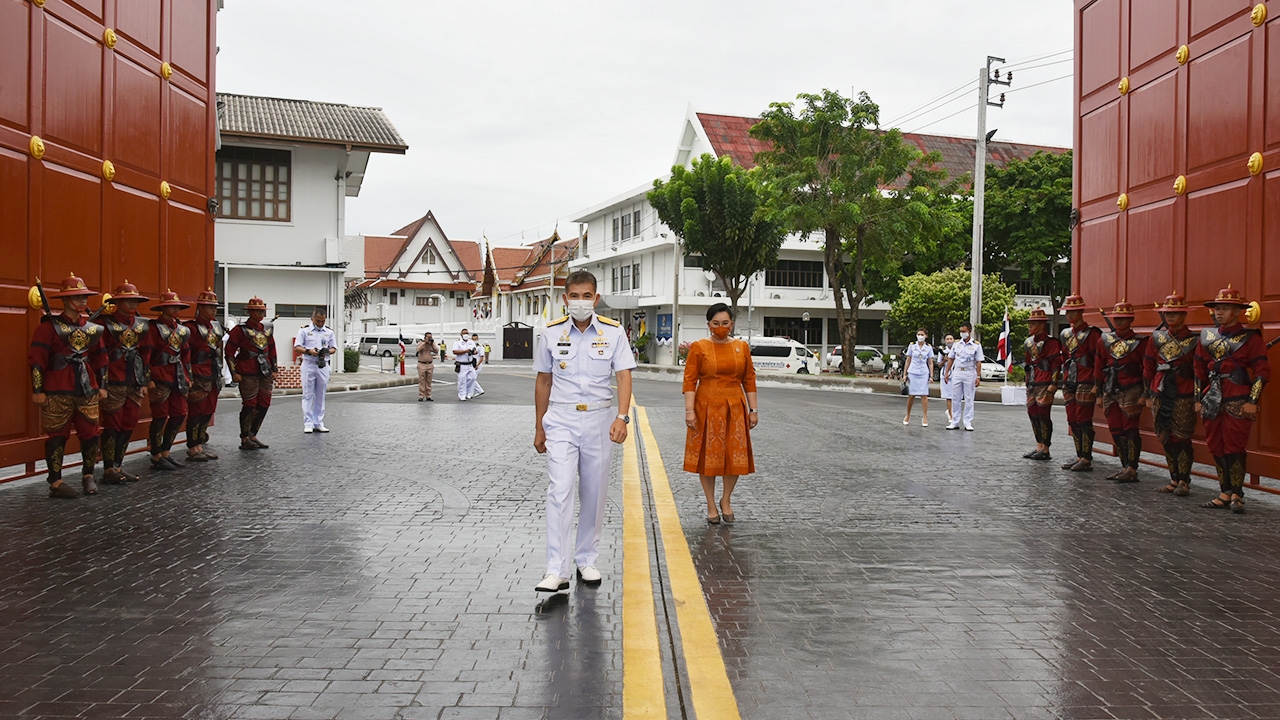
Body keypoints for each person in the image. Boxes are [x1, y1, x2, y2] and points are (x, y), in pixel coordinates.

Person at [532, 270, 634, 593]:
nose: (580, 302)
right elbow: (543, 380)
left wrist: (622, 417)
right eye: (574, 296)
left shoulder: (613, 333)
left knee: (594, 491)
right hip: (560, 419)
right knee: (559, 490)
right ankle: (555, 569)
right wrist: (539, 425)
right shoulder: (549, 334)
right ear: (564, 299)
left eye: (586, 296)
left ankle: (586, 559)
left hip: (599, 420)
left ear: (596, 297)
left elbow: (623, 376)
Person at [29, 273, 108, 498]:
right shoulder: (48, 328)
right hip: (58, 389)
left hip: (86, 389)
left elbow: (102, 358)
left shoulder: (92, 329)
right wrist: (38, 390)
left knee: (91, 434)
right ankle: (55, 481)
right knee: (57, 435)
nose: (83, 301)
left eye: (84, 297)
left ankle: (88, 474)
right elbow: (37, 361)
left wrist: (102, 385)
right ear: (65, 300)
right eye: (77, 297)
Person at [1195, 285, 1270, 513]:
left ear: (1236, 311)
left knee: (1234, 446)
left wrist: (1253, 401)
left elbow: (1262, 372)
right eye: (1218, 308)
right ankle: (1224, 491)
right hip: (1211, 400)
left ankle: (1237, 493)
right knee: (1215, 445)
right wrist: (1198, 398)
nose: (1220, 313)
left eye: (1225, 308)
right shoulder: (1206, 337)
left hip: (1237, 398)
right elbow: (1198, 370)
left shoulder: (1250, 338)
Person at [683, 303, 759, 524]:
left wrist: (753, 410)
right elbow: (689, 380)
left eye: (725, 323)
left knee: (733, 456)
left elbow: (749, 379)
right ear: (708, 325)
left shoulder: (741, 347)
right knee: (708, 456)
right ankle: (710, 504)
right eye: (716, 323)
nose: (721, 327)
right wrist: (690, 411)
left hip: (735, 406)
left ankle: (726, 499)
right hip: (705, 405)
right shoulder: (699, 347)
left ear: (732, 324)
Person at [1143, 293, 1198, 496]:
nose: (1171, 317)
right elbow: (1148, 366)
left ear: (1184, 314)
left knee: (1182, 437)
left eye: (1175, 313)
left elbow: (1200, 371)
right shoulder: (1156, 338)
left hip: (1183, 393)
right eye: (1167, 313)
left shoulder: (1194, 340)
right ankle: (1174, 478)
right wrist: (1148, 393)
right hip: (1160, 390)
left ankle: (1184, 480)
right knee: (1166, 437)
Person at [97, 281, 150, 483]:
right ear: (118, 302)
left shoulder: (142, 324)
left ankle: (118, 464)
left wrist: (144, 380)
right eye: (127, 300)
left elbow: (146, 354)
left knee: (129, 423)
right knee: (113, 424)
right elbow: (99, 354)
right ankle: (108, 467)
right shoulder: (105, 323)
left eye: (134, 300)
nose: (131, 304)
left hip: (134, 381)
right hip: (113, 380)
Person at [1096, 301, 1149, 483]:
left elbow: (1147, 369)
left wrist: (1145, 394)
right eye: (1117, 318)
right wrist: (1099, 393)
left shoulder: (1141, 343)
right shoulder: (1104, 341)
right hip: (1110, 388)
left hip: (1131, 388)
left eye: (1123, 319)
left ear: (1131, 319)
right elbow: (1099, 366)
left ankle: (1132, 468)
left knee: (1130, 429)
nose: (1119, 322)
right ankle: (1124, 465)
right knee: (1115, 429)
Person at [145, 290, 192, 471]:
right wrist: (148, 378)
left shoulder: (181, 330)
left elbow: (186, 355)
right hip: (160, 376)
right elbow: (146, 354)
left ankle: (166, 451)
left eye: (177, 306)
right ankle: (156, 455)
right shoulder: (154, 328)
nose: (175, 309)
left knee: (179, 414)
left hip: (178, 376)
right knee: (159, 417)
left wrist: (188, 377)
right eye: (171, 306)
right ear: (163, 309)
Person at [225, 297, 277, 450]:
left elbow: (272, 350)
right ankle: (244, 437)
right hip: (247, 371)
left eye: (262, 311)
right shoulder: (239, 330)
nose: (261, 314)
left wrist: (274, 369)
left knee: (264, 403)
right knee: (249, 404)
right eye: (258, 311)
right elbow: (228, 352)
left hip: (265, 371)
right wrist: (233, 372)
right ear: (250, 312)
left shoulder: (266, 329)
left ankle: (253, 433)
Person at [1059, 294, 1103, 471]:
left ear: (1081, 311)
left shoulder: (1092, 334)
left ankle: (1086, 457)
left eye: (1074, 311)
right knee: (1073, 420)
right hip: (1070, 379)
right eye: (1068, 311)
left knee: (1084, 420)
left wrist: (1097, 384)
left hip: (1086, 379)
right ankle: (1079, 455)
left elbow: (1099, 361)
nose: (1070, 315)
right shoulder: (1066, 334)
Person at [184, 289, 224, 462]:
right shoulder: (190, 328)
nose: (213, 310)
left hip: (213, 372)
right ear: (200, 307)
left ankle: (200, 444)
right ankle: (192, 447)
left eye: (215, 307)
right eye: (209, 307)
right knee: (196, 411)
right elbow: (185, 355)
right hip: (198, 372)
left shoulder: (216, 326)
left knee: (208, 411)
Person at [1022, 309, 1064, 461]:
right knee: (1033, 414)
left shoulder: (1051, 343)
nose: (1030, 326)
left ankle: (1046, 448)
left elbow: (1056, 364)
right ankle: (1039, 445)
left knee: (1043, 415)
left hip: (1045, 382)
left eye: (1033, 323)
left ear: (1042, 325)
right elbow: (1027, 363)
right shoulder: (1029, 342)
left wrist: (1054, 383)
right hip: (1033, 383)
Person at [294, 309, 337, 433]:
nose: (320, 323)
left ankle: (318, 422)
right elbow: (297, 347)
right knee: (307, 395)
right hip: (309, 364)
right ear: (312, 319)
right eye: (318, 321)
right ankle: (308, 423)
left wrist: (327, 351)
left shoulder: (328, 332)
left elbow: (334, 348)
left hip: (323, 365)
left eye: (323, 321)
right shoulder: (304, 331)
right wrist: (308, 351)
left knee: (320, 394)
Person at [944, 323, 983, 431]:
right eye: (961, 331)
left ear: (969, 331)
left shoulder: (976, 345)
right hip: (957, 372)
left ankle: (967, 422)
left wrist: (978, 376)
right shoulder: (956, 344)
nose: (962, 333)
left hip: (969, 372)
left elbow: (979, 361)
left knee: (969, 398)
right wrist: (947, 373)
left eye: (964, 331)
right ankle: (955, 421)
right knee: (955, 397)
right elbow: (951, 358)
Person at [902, 328, 934, 426]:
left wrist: (931, 376)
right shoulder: (912, 346)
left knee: (924, 395)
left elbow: (930, 362)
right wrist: (905, 374)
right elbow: (908, 360)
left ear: (926, 336)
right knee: (911, 395)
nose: (920, 336)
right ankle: (908, 415)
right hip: (913, 372)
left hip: (923, 372)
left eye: (922, 334)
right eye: (918, 334)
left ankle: (925, 417)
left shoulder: (928, 348)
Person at [453, 328, 479, 401]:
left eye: (467, 333)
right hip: (462, 364)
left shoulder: (471, 342)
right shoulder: (457, 342)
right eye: (464, 333)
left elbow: (475, 350)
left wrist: (474, 352)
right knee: (462, 380)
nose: (466, 335)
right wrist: (465, 351)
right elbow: (455, 351)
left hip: (470, 364)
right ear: (461, 334)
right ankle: (462, 395)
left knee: (472, 378)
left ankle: (469, 393)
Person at [938, 334, 956, 423]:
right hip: (946, 375)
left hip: (956, 374)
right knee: (948, 396)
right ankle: (950, 414)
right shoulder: (942, 352)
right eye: (947, 339)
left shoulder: (957, 350)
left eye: (951, 339)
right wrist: (944, 360)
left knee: (956, 395)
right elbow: (939, 365)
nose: (949, 340)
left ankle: (953, 412)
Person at [415, 332, 436, 401]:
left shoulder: (432, 344)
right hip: (422, 364)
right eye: (428, 337)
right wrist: (425, 343)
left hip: (429, 364)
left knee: (429, 381)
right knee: (422, 380)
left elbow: (436, 350)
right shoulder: (421, 343)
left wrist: (432, 344)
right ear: (425, 337)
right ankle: (421, 395)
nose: (430, 339)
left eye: (431, 337)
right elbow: (418, 349)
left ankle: (428, 395)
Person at [470, 333, 486, 397]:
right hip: (471, 364)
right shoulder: (470, 346)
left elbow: (482, 357)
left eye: (476, 339)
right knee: (471, 379)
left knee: (472, 379)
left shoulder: (480, 346)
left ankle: (474, 392)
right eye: (473, 339)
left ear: (478, 339)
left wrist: (477, 365)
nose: (475, 340)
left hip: (477, 364)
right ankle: (479, 390)